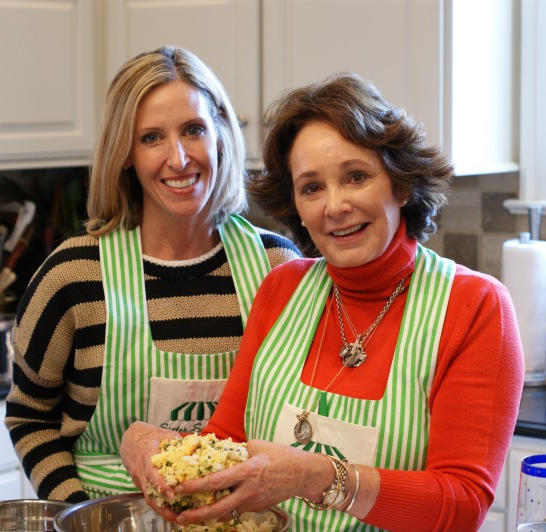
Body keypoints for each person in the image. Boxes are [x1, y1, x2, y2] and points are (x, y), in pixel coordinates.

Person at [120, 72, 524, 531]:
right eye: (311, 187)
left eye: (356, 177)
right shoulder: (282, 289)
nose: (334, 206)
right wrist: (149, 443)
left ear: (402, 184)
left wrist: (319, 477)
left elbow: (462, 507)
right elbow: (226, 445)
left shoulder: (475, 306)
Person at [4, 46, 301, 503]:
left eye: (194, 130)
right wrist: (80, 514)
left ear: (220, 134)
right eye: (151, 138)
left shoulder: (277, 267)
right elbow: (30, 417)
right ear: (125, 153)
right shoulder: (73, 277)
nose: (179, 159)